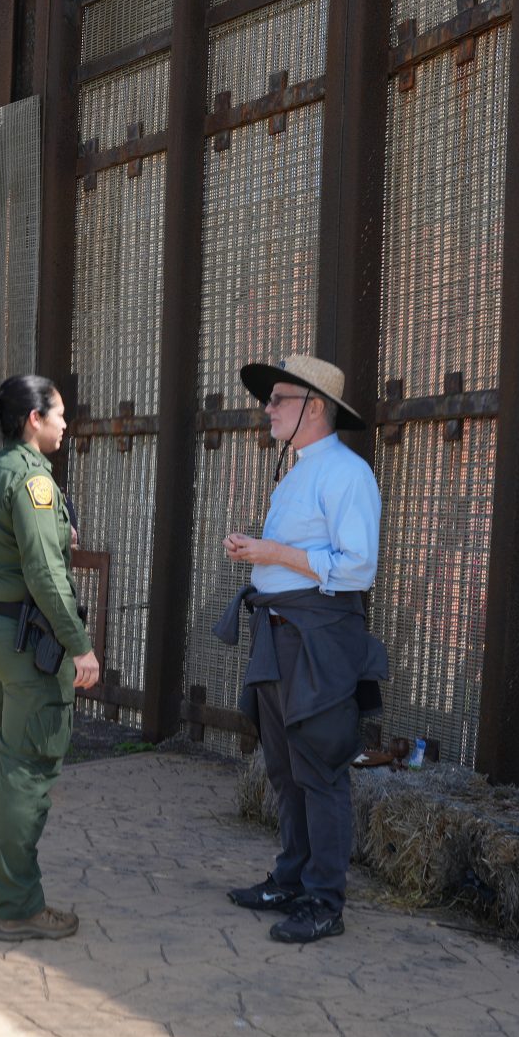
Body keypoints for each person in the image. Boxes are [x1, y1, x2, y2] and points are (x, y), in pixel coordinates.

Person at [214, 353, 388, 944]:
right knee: (285, 768)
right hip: (281, 632)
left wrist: (271, 554)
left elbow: (357, 568)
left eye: (279, 399)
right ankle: (291, 879)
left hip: (318, 638)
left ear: (314, 407)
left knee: (319, 771)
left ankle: (324, 901)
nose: (267, 409)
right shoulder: (297, 471)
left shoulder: (346, 473)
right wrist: (260, 554)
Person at [0, 375, 102, 941]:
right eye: (59, 414)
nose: (67, 424)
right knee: (27, 767)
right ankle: (17, 907)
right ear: (33, 419)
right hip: (26, 644)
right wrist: (80, 646)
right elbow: (44, 572)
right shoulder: (34, 481)